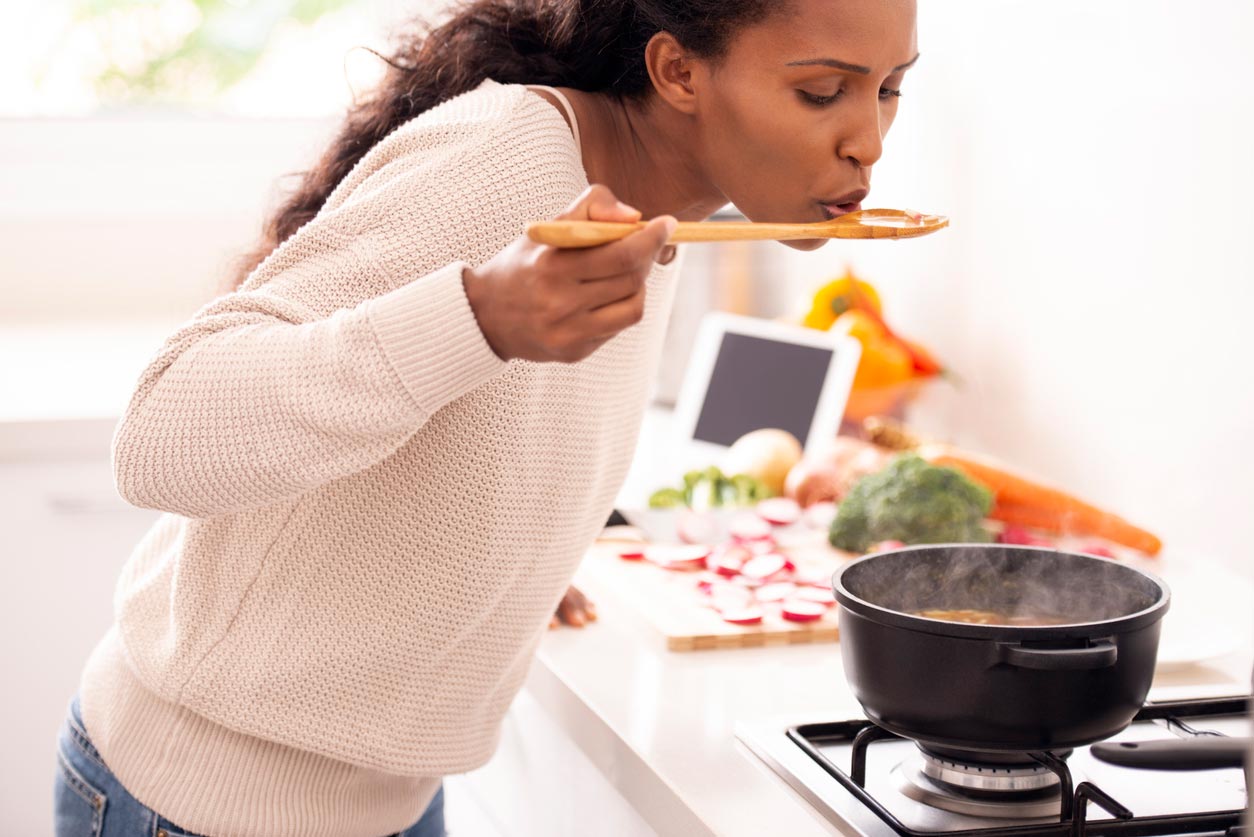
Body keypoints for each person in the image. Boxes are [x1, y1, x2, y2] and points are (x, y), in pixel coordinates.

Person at [52, 0, 918, 834]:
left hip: (391, 801)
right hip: (201, 805)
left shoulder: (664, 219)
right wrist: (480, 315)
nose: (869, 143)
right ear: (678, 71)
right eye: (821, 92)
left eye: (889, 88)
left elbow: (470, 431)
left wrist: (497, 563)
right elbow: (164, 435)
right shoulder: (511, 158)